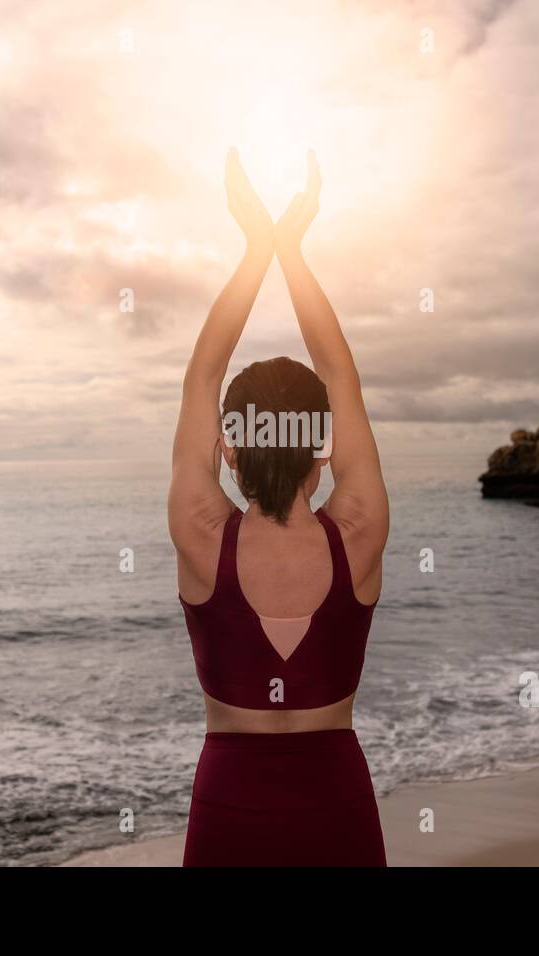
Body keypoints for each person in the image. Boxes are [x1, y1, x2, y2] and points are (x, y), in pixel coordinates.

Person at [168, 148, 390, 866]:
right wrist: (293, 249)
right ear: (323, 446)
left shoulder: (202, 535)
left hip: (230, 806)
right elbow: (340, 372)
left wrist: (255, 247)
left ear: (227, 448)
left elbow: (202, 375)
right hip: (338, 805)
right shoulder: (357, 533)